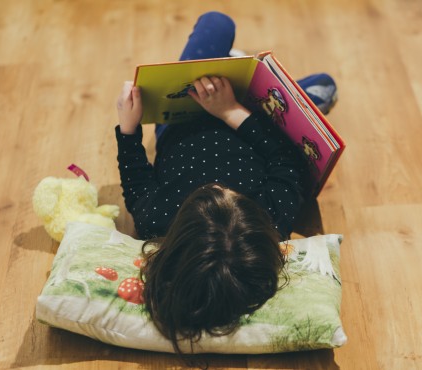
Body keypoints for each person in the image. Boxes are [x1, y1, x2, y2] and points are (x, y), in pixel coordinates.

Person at [115, 11, 337, 354]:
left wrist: (129, 128)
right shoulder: (271, 218)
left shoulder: (157, 219)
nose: (218, 185)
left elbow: (136, 181)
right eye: (230, 195)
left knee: (218, 24)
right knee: (325, 85)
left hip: (183, 115)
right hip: (252, 119)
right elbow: (286, 159)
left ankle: (252, 80)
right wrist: (231, 110)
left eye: (208, 194)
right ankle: (261, 89)